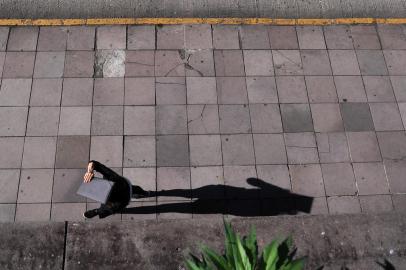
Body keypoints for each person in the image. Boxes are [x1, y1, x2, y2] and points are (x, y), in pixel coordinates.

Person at [83, 160, 151, 219]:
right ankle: (145, 193)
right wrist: (90, 169)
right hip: (124, 190)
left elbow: (110, 208)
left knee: (107, 210)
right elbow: (98, 166)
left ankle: (96, 211)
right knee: (136, 189)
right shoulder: (110, 180)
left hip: (125, 195)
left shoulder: (111, 202)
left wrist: (90, 170)